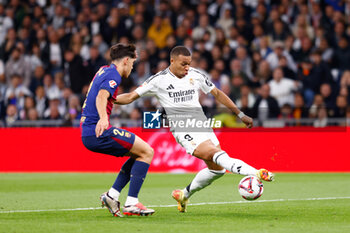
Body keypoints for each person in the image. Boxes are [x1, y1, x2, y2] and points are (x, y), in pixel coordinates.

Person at [115, 46, 274, 213]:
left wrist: (240, 114)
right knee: (215, 154)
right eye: (183, 64)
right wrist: (108, 99)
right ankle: (257, 172)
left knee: (217, 170)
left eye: (189, 64)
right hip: (183, 129)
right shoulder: (158, 80)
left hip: (202, 125)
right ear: (172, 61)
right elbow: (130, 96)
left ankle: (183, 194)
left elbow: (217, 93)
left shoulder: (195, 75)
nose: (187, 68)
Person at [80, 43, 155, 217]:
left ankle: (112, 195)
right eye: (133, 64)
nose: (132, 68)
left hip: (88, 131)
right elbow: (101, 96)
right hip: (98, 131)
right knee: (147, 151)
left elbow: (106, 96)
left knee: (139, 153)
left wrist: (118, 100)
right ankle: (131, 203)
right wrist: (104, 118)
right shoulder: (114, 75)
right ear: (126, 61)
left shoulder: (104, 70)